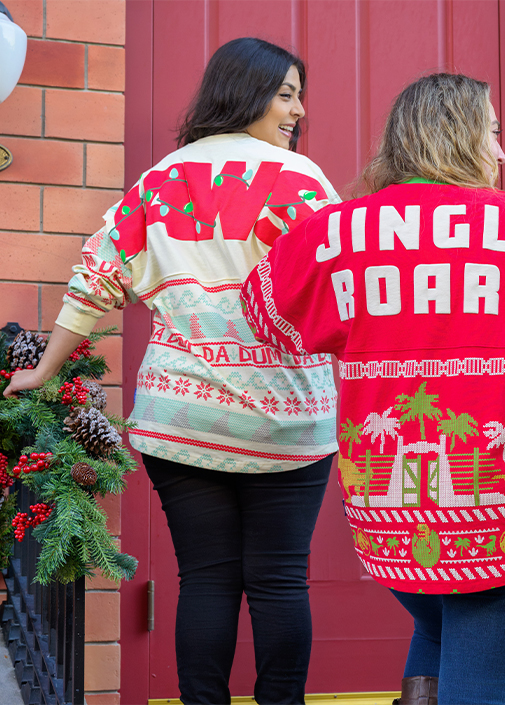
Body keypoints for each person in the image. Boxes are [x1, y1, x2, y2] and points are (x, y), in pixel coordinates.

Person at [240, 73, 505, 704]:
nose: (499, 152)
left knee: (436, 626)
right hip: (499, 508)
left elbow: (264, 310)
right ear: (459, 135)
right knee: (480, 679)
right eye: (492, 132)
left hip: (386, 513)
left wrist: (290, 242)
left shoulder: (338, 229)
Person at [4, 37, 341, 705]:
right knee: (278, 579)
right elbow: (343, 284)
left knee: (207, 579)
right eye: (285, 93)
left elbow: (96, 278)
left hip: (182, 418)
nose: (298, 109)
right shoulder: (300, 181)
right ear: (244, 91)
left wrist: (43, 369)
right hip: (288, 419)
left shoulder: (159, 181)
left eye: (300, 95)